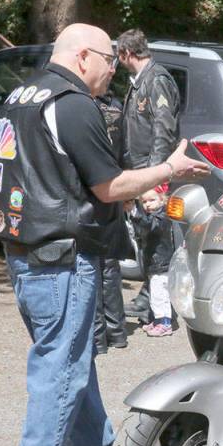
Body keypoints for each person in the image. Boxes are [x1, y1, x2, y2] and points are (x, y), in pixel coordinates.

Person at [0, 23, 211, 446]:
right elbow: (108, 186)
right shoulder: (73, 103)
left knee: (72, 357)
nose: (112, 68)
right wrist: (169, 170)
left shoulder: (22, 95)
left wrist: (131, 188)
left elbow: (58, 172)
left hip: (25, 253)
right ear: (83, 57)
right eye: (107, 58)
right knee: (60, 365)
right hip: (61, 256)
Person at [115, 28, 182, 323]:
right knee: (145, 236)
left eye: (119, 56)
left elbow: (163, 130)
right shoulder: (139, 82)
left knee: (156, 237)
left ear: (127, 54)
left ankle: (159, 308)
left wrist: (155, 177)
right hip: (140, 168)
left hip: (151, 170)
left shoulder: (156, 80)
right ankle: (148, 298)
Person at [94, 92, 130, 353]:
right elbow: (125, 150)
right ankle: (116, 331)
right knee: (109, 264)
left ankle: (98, 337)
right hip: (115, 184)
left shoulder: (81, 106)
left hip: (93, 188)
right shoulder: (116, 106)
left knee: (91, 266)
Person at [127, 186, 176, 336]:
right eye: (144, 201)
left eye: (152, 200)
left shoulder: (161, 216)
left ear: (162, 199)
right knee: (156, 294)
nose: (147, 204)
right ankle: (158, 320)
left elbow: (148, 226)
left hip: (161, 265)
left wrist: (134, 211)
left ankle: (165, 324)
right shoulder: (153, 215)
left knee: (160, 295)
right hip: (155, 264)